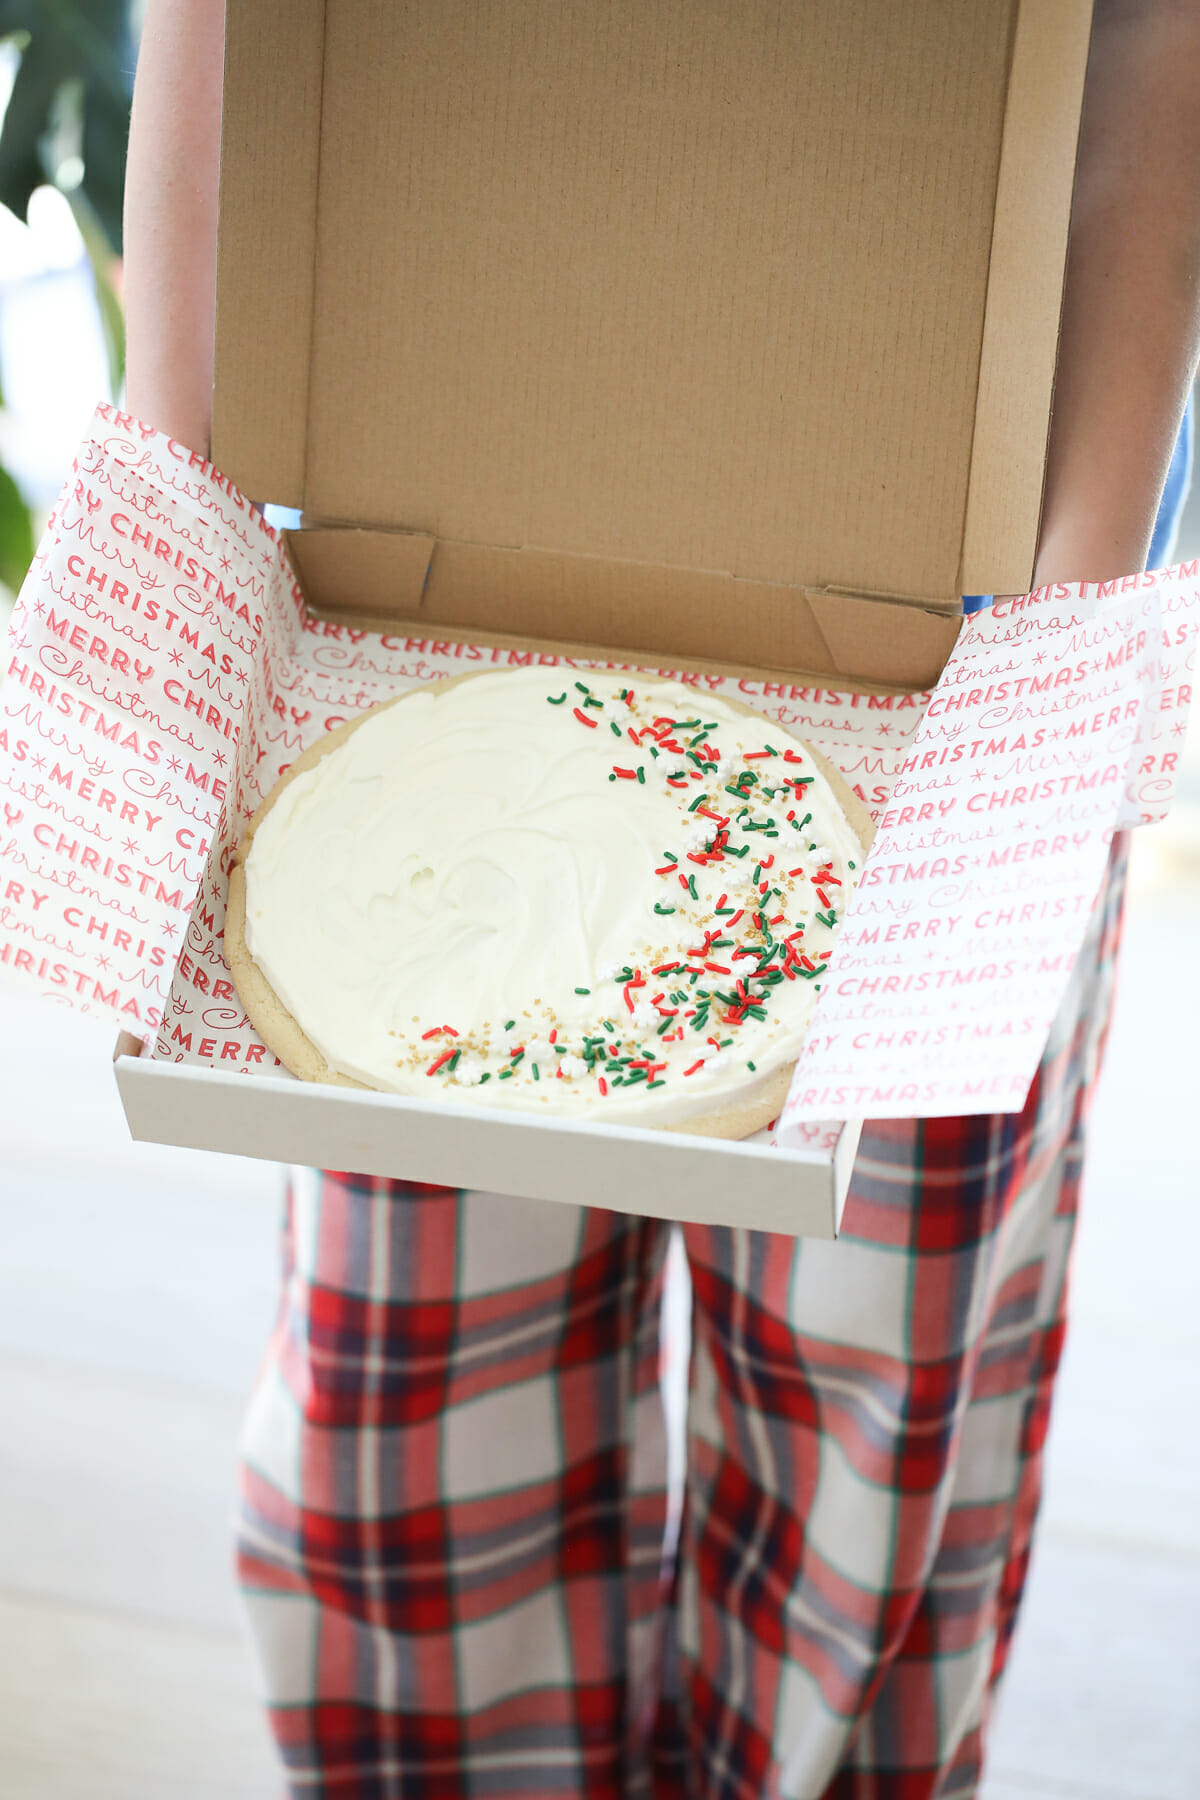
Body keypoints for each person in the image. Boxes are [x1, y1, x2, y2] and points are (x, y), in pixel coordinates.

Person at [123, 4, 1200, 1794]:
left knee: (867, 1428)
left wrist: (1042, 678)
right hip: (428, 597)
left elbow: (1142, 121)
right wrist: (187, 528)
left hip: (982, 649)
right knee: (410, 1423)